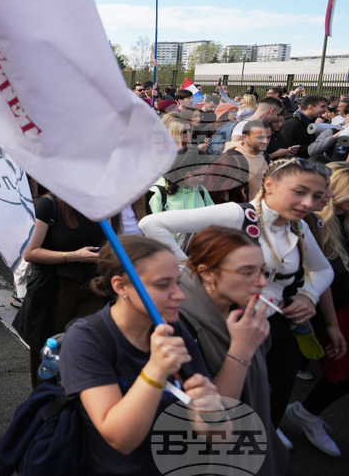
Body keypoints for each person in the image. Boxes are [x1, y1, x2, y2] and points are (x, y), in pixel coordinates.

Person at [139, 158, 334, 439]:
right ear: (269, 185)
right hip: (226, 325)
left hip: (278, 327)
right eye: (299, 191)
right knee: (228, 406)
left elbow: (322, 269)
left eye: (316, 196)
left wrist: (308, 295)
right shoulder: (238, 215)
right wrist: (193, 272)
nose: (307, 203)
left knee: (274, 398)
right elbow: (152, 223)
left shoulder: (298, 227)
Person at [59, 236, 220, 474]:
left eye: (178, 282)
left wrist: (210, 412)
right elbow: (120, 439)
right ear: (121, 286)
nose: (179, 295)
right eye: (163, 285)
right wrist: (155, 370)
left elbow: (215, 434)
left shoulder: (173, 330)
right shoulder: (86, 339)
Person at [179, 226, 287, 475]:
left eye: (262, 271)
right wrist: (241, 348)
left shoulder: (237, 305)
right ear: (207, 273)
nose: (261, 282)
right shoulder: (178, 323)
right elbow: (211, 419)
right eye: (247, 272)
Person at [18, 193, 112, 386]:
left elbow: (109, 243)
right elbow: (30, 253)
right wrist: (72, 256)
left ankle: (75, 402)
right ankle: (44, 406)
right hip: (54, 290)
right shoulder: (49, 204)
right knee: (48, 355)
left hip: (93, 288)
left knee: (83, 346)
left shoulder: (103, 204)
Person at [288, 164, 349, 457]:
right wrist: (331, 323)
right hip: (318, 311)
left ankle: (303, 413)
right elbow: (319, 276)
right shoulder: (312, 224)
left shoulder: (339, 221)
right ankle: (281, 418)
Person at [148, 147, 214, 215]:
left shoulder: (201, 191)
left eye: (204, 174)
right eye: (196, 175)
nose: (201, 179)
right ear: (181, 172)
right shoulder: (158, 192)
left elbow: (214, 217)